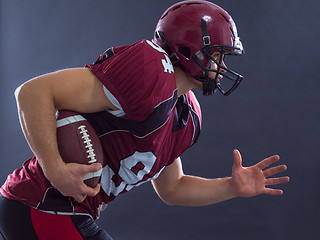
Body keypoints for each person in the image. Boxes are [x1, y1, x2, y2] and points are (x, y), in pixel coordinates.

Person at [0, 1, 289, 239]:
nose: (222, 66)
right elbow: (32, 92)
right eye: (216, 55)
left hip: (68, 211)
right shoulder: (149, 71)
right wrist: (55, 169)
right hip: (40, 202)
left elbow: (173, 188)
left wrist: (231, 187)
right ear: (190, 50)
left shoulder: (187, 116)